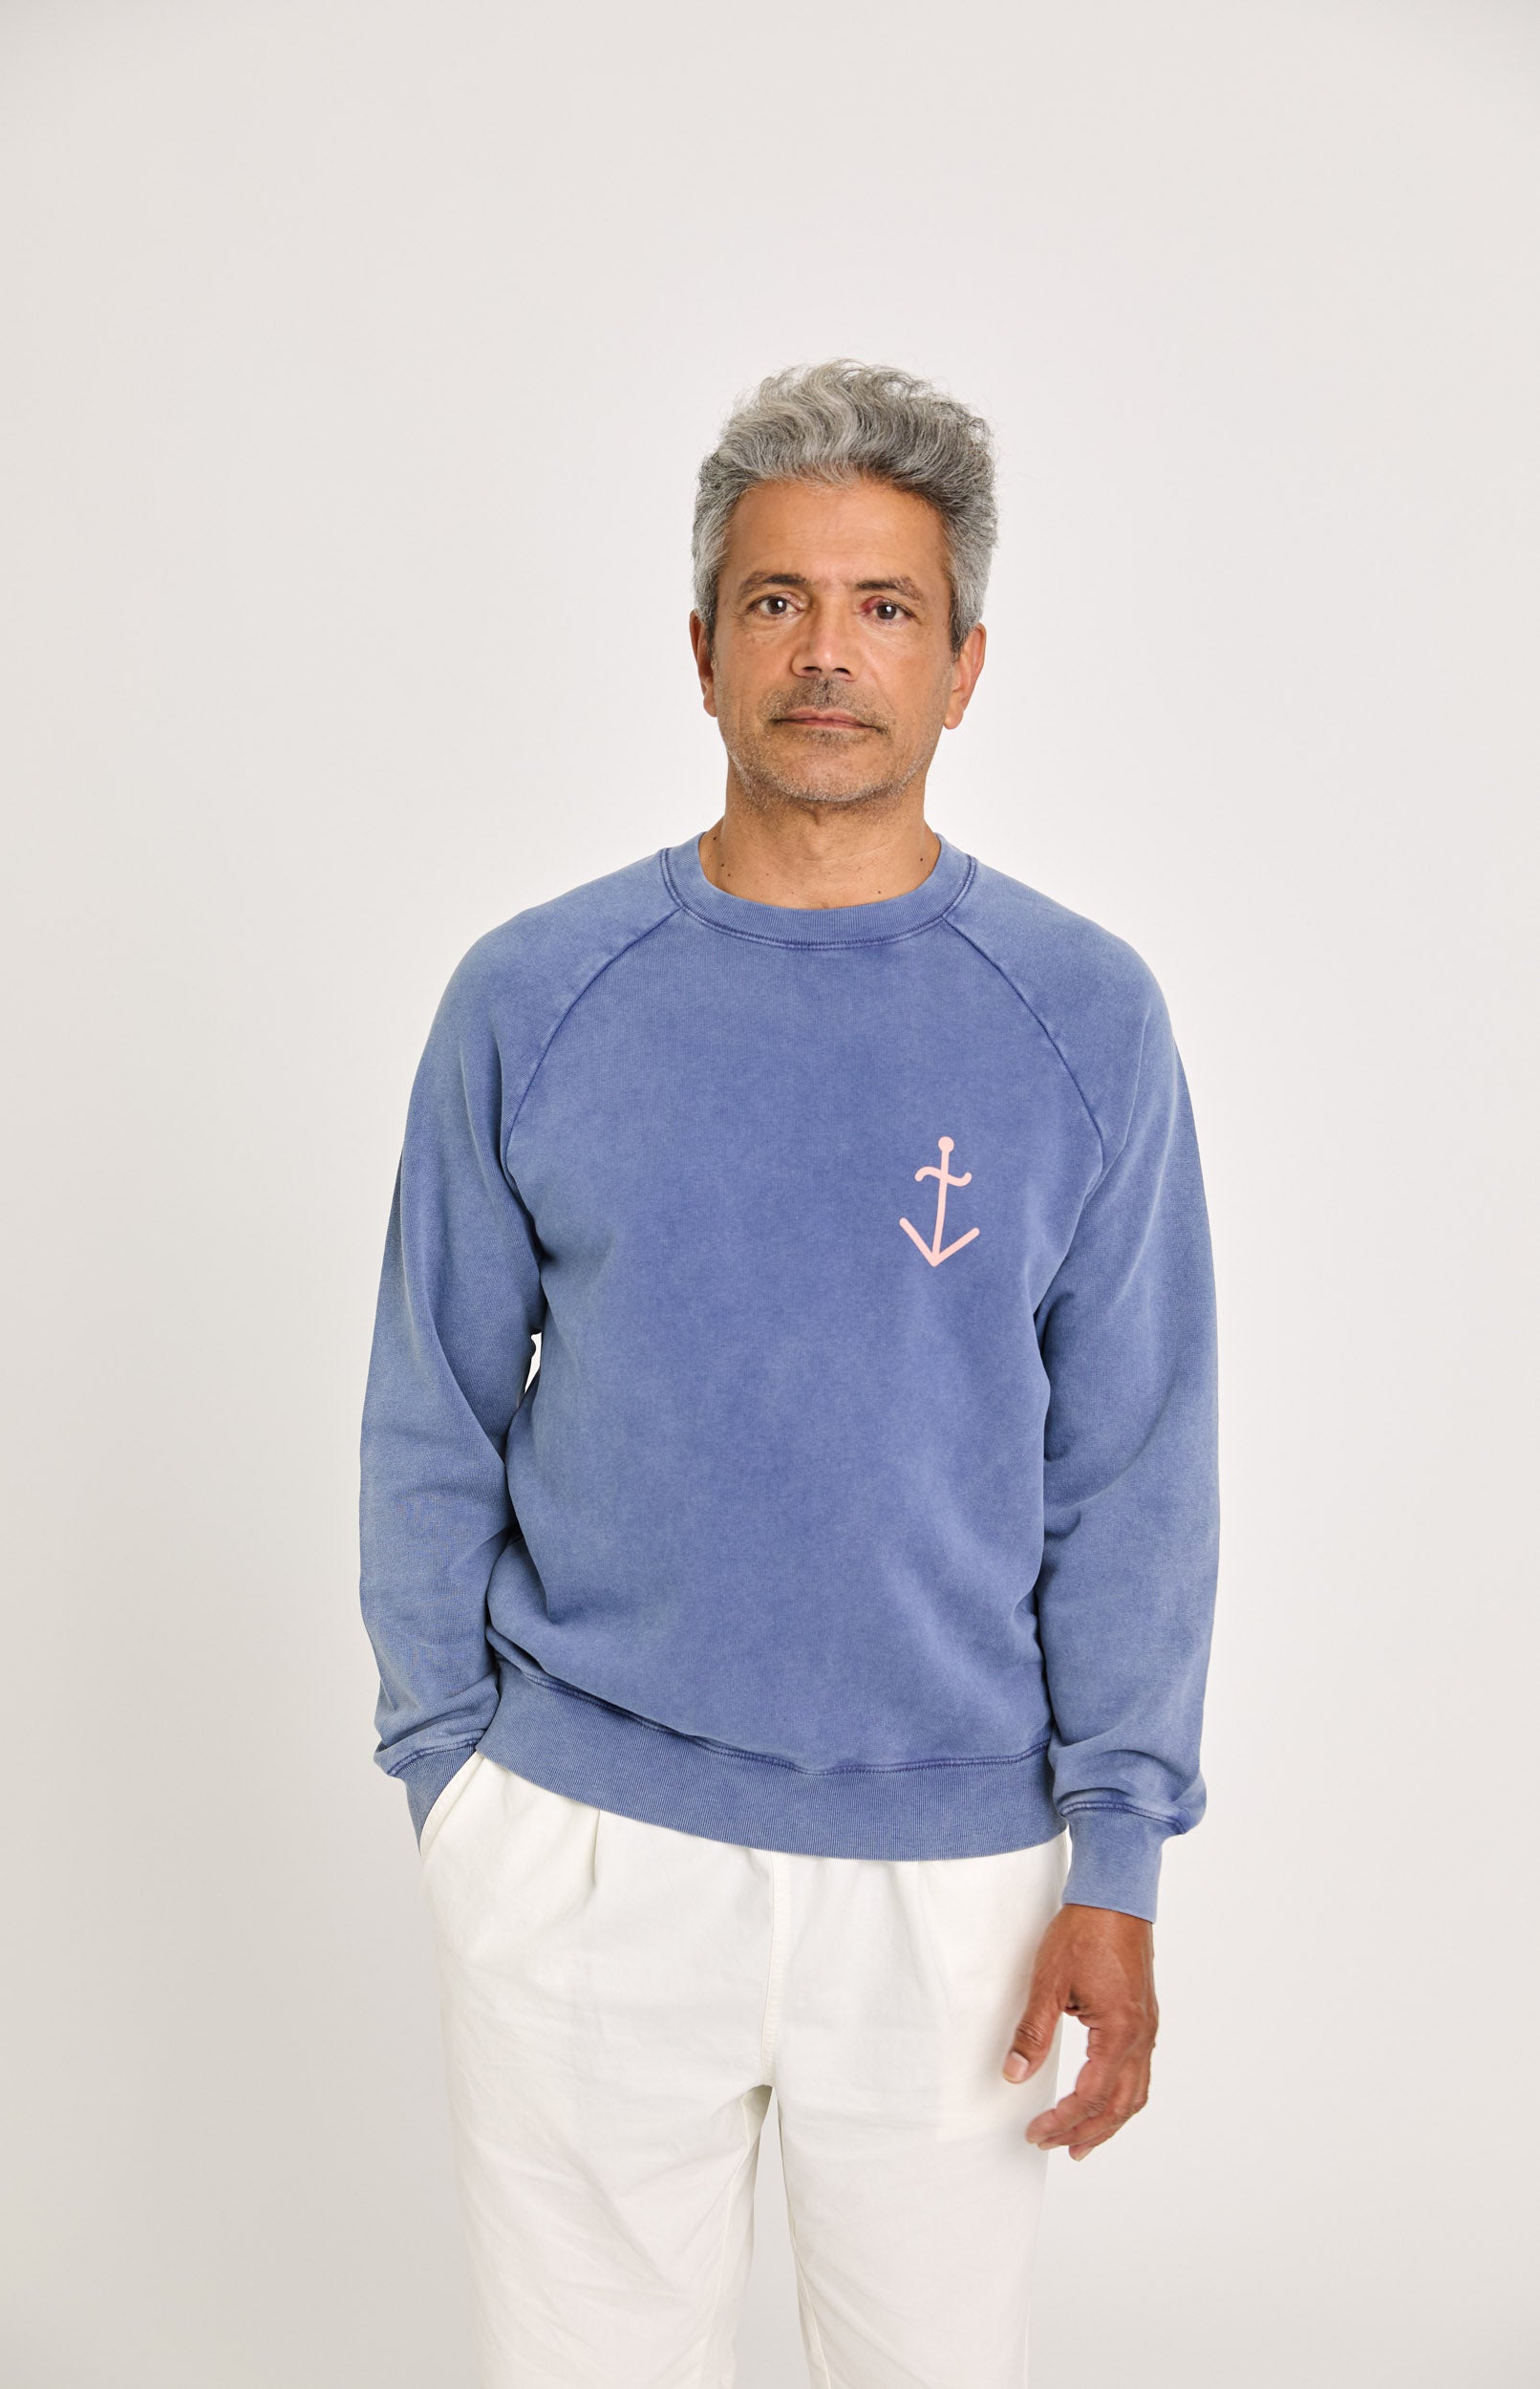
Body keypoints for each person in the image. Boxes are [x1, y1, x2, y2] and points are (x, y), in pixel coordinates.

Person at [357, 358, 1219, 2388]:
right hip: (583, 1848)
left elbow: (1136, 1460)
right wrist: (455, 1780)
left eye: (883, 606)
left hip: (954, 1883)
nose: (828, 651)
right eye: (778, 601)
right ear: (703, 649)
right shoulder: (536, 995)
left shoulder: (1083, 1016)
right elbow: (429, 1405)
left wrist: (1118, 1855)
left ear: (964, 665)